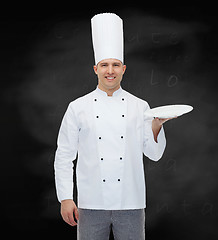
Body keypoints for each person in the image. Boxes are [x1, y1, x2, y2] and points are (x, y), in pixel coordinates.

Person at [54, 13, 175, 240]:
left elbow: (155, 154)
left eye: (115, 65)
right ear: (95, 69)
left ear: (124, 69)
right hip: (90, 202)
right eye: (105, 65)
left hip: (131, 201)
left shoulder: (140, 106)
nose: (110, 70)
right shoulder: (77, 107)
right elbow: (64, 155)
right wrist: (66, 198)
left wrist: (157, 125)